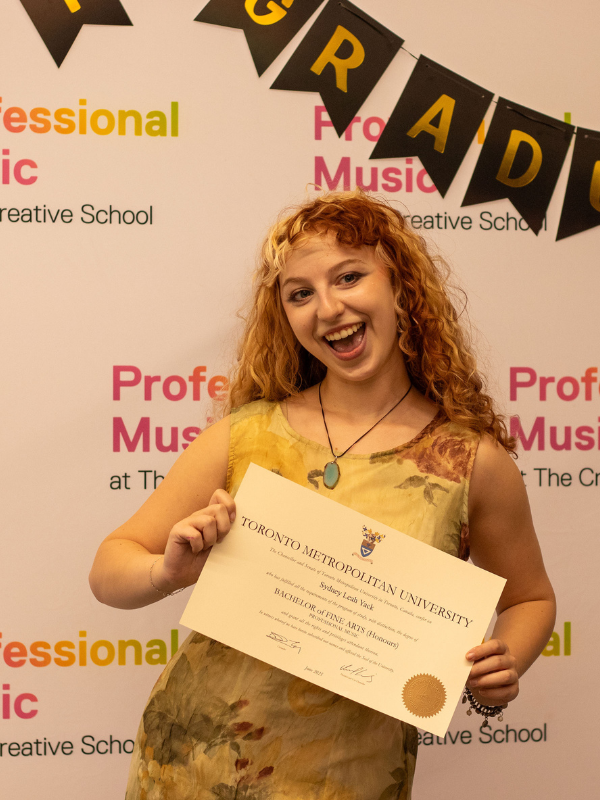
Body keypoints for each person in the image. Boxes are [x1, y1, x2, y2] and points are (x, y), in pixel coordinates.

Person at [90, 190, 555, 800]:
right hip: (189, 765)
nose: (328, 308)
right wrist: (167, 570)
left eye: (349, 276)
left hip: (348, 778)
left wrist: (503, 665)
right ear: (283, 314)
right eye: (300, 293)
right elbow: (109, 571)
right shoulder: (245, 433)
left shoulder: (471, 462)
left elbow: (529, 597)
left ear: (401, 286)